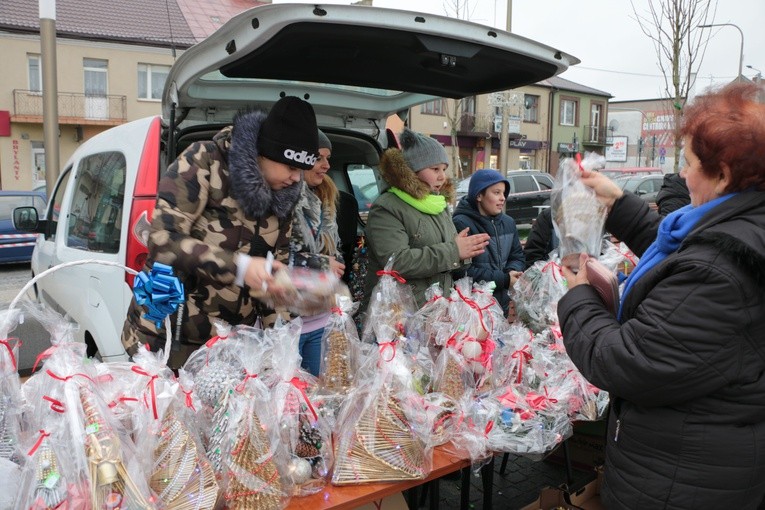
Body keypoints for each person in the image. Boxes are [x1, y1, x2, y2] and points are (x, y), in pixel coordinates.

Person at [557, 82, 765, 509]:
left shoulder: (718, 275)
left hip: (680, 480)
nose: (682, 174)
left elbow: (622, 360)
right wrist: (617, 204)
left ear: (723, 173)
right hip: (699, 458)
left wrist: (578, 295)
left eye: (688, 163)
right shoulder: (741, 227)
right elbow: (686, 251)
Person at [121, 96, 320, 368]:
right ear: (264, 153)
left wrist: (281, 341)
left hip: (229, 348)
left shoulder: (284, 195)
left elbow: (275, 275)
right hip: (166, 339)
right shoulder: (204, 161)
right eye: (292, 167)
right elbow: (162, 239)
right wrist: (241, 267)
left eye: (302, 170)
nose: (297, 178)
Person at [362, 129, 489, 309]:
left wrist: (465, 253)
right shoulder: (387, 207)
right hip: (399, 314)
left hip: (435, 310)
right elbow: (396, 261)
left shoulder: (437, 204)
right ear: (413, 170)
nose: (442, 176)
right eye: (434, 169)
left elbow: (447, 257)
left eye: (444, 169)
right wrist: (454, 251)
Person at [289, 129, 345, 376]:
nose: (327, 165)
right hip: (287, 322)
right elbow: (276, 257)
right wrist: (322, 265)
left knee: (316, 393)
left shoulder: (326, 199)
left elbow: (337, 250)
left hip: (320, 317)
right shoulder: (282, 200)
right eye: (319, 158)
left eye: (327, 158)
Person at [452, 169, 525, 317]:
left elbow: (517, 256)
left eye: (504, 193)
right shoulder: (462, 224)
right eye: (496, 193)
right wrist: (504, 279)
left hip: (503, 304)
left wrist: (512, 271)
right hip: (473, 308)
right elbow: (462, 271)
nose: (502, 198)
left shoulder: (508, 223)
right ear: (479, 195)